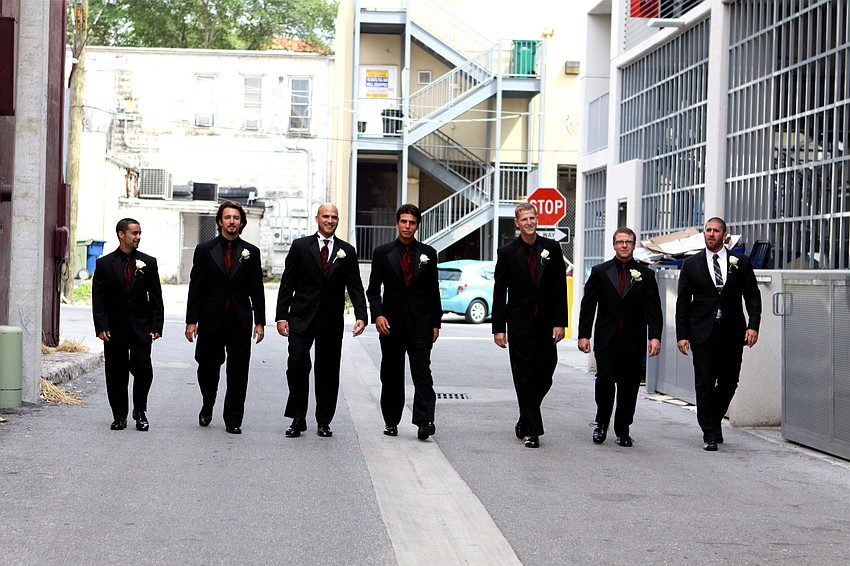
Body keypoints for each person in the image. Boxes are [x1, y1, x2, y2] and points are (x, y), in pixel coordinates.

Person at [275, 203, 368, 438]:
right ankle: (297, 417)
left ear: (338, 220)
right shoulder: (300, 247)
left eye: (334, 217)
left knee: (328, 370)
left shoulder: (346, 250)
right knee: (297, 364)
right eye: (325, 216)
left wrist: (361, 315)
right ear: (317, 218)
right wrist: (281, 316)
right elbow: (287, 283)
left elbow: (355, 286)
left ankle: (324, 420)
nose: (330, 220)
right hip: (301, 317)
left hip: (330, 320)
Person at [675, 217, 761, 451]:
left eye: (716, 231)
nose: (711, 234)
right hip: (702, 332)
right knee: (704, 381)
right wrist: (682, 334)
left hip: (733, 332)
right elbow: (682, 302)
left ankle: (714, 419)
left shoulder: (740, 262)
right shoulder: (692, 264)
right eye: (708, 230)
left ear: (725, 235)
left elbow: (752, 295)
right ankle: (709, 433)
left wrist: (753, 325)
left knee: (729, 380)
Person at [185, 201, 266, 434]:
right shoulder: (204, 249)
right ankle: (208, 402)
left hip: (239, 320)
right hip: (211, 319)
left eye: (236, 218)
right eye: (228, 217)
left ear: (242, 222)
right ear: (220, 221)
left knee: (239, 370)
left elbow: (256, 289)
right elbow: (196, 287)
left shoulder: (251, 252)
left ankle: (233, 419)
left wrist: (259, 321)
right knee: (208, 367)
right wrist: (192, 320)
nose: (232, 222)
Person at [492, 202, 568, 448]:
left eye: (532, 218)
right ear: (517, 223)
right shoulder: (506, 252)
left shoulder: (552, 248)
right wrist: (498, 327)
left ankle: (525, 416)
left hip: (546, 325)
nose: (529, 222)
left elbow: (559, 287)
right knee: (523, 376)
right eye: (524, 219)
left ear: (537, 220)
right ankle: (533, 431)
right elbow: (499, 291)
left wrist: (560, 322)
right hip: (519, 324)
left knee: (546, 373)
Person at [577, 228, 662, 447]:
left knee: (629, 386)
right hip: (607, 339)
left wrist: (655, 337)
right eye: (620, 242)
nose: (624, 245)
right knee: (604, 381)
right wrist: (584, 335)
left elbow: (654, 309)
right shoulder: (599, 272)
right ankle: (601, 424)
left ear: (634, 245)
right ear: (614, 245)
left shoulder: (646, 275)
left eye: (628, 242)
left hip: (633, 341)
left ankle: (623, 429)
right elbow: (588, 305)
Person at [366, 204, 441, 440]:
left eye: (412, 223)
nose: (407, 226)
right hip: (391, 324)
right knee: (391, 374)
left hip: (420, 324)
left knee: (422, 373)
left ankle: (425, 421)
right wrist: (377, 315)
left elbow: (433, 290)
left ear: (417, 225)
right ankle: (391, 420)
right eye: (403, 222)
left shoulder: (428, 253)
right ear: (397, 223)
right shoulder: (382, 252)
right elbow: (373, 290)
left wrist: (435, 323)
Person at [92, 218, 164, 431]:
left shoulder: (148, 263)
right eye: (134, 233)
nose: (138, 237)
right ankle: (119, 415)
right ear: (121, 235)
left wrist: (156, 325)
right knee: (116, 373)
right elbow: (99, 299)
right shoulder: (104, 264)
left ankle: (140, 410)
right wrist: (101, 326)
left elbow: (156, 297)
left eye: (140, 233)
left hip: (141, 327)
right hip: (114, 329)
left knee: (143, 369)